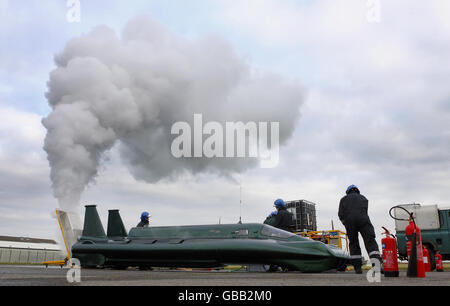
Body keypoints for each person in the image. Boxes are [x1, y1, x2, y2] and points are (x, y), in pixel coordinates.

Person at [338, 185, 382, 274]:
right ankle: (376, 266)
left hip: (350, 221)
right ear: (357, 191)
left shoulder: (343, 199)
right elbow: (364, 211)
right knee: (370, 241)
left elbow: (340, 214)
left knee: (353, 242)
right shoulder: (363, 198)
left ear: (348, 191)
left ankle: (357, 268)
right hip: (364, 220)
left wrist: (346, 223)